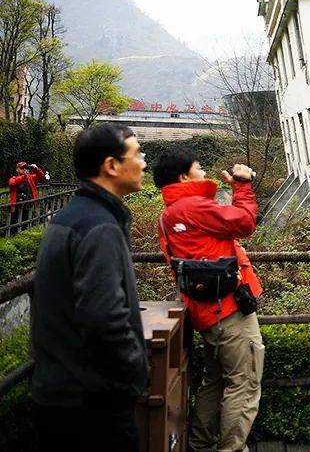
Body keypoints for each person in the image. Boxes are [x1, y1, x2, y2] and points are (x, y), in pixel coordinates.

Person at [31, 124, 148, 451]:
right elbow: (104, 319)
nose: (143, 162)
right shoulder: (100, 228)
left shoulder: (71, 217)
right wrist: (135, 370)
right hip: (93, 406)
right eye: (137, 153)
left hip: (60, 395)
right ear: (111, 165)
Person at [153, 146, 264, 452]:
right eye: (199, 168)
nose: (204, 173)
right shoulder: (193, 207)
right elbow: (244, 223)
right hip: (228, 310)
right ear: (183, 176)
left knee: (214, 381)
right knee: (244, 383)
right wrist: (242, 184)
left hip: (203, 311)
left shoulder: (168, 215)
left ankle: (200, 444)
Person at [8, 160, 49, 228]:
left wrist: (36, 169)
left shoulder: (30, 178)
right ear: (17, 169)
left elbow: (41, 177)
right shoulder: (14, 178)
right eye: (22, 168)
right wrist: (24, 176)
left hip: (27, 204)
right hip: (16, 205)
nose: (24, 170)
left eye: (25, 168)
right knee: (13, 224)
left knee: (25, 223)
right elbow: (12, 183)